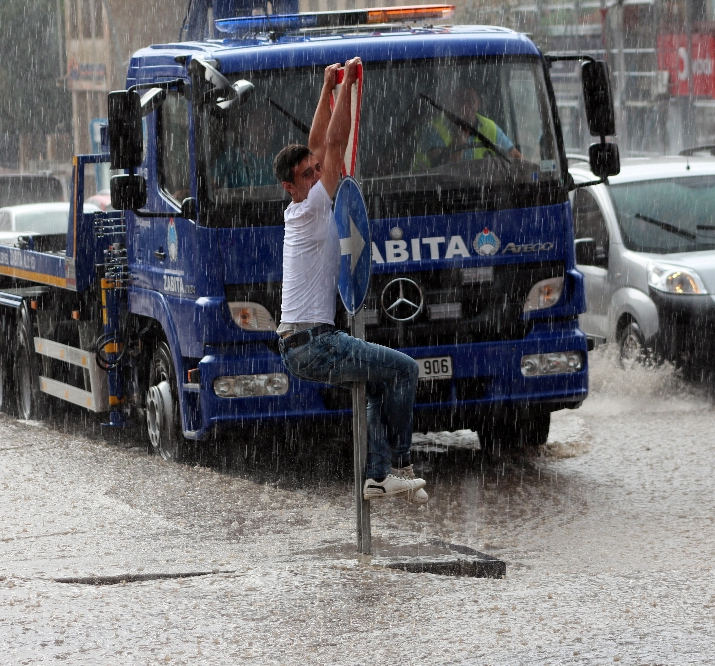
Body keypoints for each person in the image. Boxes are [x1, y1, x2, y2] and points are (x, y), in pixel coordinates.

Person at [273, 58, 428, 504]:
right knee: (405, 369)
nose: (319, 173)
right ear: (291, 186)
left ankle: (378, 477)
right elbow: (335, 142)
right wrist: (349, 89)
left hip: (307, 342)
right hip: (312, 343)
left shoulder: (306, 202)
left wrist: (327, 89)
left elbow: (318, 142)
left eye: (316, 169)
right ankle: (399, 465)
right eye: (308, 173)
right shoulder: (312, 206)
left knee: (381, 382)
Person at [413, 83, 523, 169]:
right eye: (460, 100)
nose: (465, 106)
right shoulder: (432, 129)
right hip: (428, 192)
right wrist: (461, 137)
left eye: (470, 101)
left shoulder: (490, 127)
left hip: (483, 191)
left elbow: (519, 161)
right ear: (450, 102)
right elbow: (445, 169)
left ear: (478, 104)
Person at [214, 105, 278, 188]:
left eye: (268, 122)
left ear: (275, 128)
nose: (263, 127)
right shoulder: (231, 157)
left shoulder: (284, 159)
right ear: (246, 129)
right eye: (257, 123)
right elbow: (211, 186)